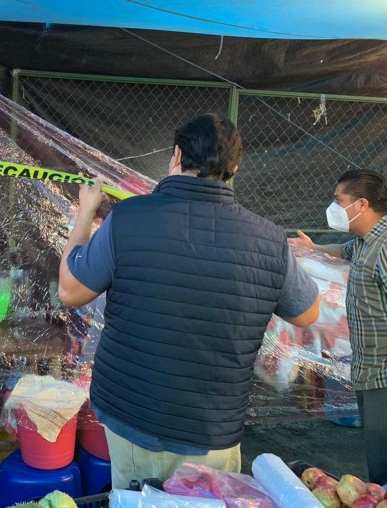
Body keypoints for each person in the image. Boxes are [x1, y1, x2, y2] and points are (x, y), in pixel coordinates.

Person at [58, 113, 320, 486]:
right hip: (214, 427)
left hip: (135, 417)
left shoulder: (128, 219)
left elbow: (69, 290)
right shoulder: (268, 239)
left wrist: (85, 213)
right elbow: (308, 313)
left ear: (177, 154)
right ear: (235, 166)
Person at [290, 169, 387, 484]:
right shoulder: (365, 241)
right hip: (371, 371)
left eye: (337, 200)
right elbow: (341, 252)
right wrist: (312, 248)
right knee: (384, 460)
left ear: (360, 204)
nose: (332, 207)